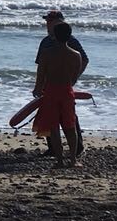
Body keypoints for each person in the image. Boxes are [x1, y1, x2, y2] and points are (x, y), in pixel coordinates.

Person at [34, 9, 86, 156]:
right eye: (47, 21)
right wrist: (39, 86)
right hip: (49, 87)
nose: (48, 24)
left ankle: (78, 149)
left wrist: (73, 79)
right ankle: (53, 149)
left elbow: (84, 60)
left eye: (51, 21)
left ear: (60, 22)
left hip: (64, 86)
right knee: (49, 118)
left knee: (69, 119)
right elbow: (40, 67)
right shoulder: (45, 42)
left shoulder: (71, 40)